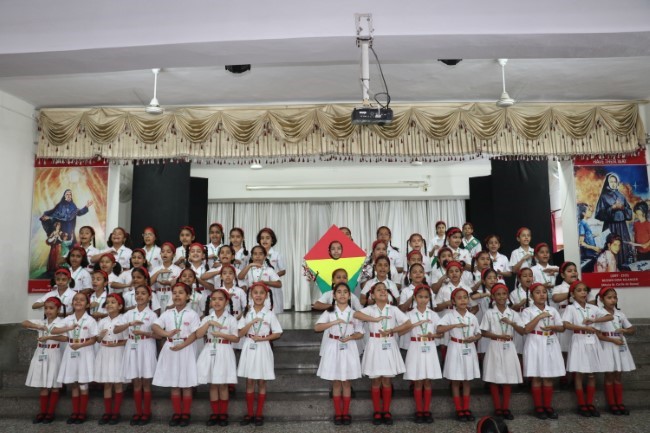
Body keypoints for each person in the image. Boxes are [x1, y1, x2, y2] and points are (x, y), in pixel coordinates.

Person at [354, 282, 411, 425]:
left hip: (389, 343)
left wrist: (393, 330)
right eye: (379, 290)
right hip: (374, 344)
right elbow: (356, 314)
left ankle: (386, 411)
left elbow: (408, 323)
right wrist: (374, 319)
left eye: (385, 290)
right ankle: (377, 411)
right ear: (372, 296)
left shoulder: (393, 309)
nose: (383, 291)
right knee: (375, 380)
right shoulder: (370, 309)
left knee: (387, 380)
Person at [152, 282, 200, 427]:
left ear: (188, 296)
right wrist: (166, 333)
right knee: (174, 383)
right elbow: (154, 326)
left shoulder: (192, 314)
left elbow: (195, 334)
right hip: (171, 348)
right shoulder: (167, 313)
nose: (177, 295)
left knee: (186, 384)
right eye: (174, 293)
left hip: (186, 348)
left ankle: (185, 413)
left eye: (181, 293)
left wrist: (183, 345)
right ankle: (177, 412)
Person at [314, 282, 364, 425]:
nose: (342, 294)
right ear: (334, 296)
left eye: (345, 292)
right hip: (333, 345)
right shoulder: (329, 312)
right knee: (336, 382)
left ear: (349, 296)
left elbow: (360, 333)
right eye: (339, 292)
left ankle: (345, 413)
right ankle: (338, 413)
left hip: (349, 346)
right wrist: (333, 322)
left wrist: (351, 337)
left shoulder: (354, 313)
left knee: (347, 382)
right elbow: (317, 328)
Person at [563, 280, 613, 417]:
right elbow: (566, 325)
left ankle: (590, 403)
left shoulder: (593, 308)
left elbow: (610, 316)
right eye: (579, 290)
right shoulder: (571, 308)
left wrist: (594, 321)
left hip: (592, 341)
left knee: (592, 374)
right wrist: (583, 328)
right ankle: (581, 404)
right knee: (579, 373)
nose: (583, 293)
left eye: (585, 290)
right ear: (572, 294)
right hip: (579, 340)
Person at [237, 282, 283, 427]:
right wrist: (251, 322)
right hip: (249, 345)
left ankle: (259, 414)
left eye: (261, 293)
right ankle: (250, 413)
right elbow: (240, 333)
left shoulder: (269, 314)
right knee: (249, 381)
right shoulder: (247, 312)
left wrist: (263, 338)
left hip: (263, 347)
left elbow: (277, 333)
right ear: (251, 295)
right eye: (255, 292)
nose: (258, 295)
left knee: (262, 381)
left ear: (266, 296)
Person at [114, 285, 158, 426]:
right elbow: (116, 330)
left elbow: (158, 335)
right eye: (137, 293)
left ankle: (147, 412)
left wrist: (144, 333)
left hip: (146, 345)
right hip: (132, 345)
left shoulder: (152, 315)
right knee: (136, 382)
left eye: (143, 293)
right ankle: (138, 412)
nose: (139, 296)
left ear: (149, 297)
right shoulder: (129, 314)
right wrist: (129, 324)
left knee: (146, 382)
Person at [52, 292, 98, 424]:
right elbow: (53, 330)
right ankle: (75, 412)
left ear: (87, 304)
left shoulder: (90, 320)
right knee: (74, 383)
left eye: (82, 300)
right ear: (72, 303)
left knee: (83, 383)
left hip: (84, 350)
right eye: (76, 300)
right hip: (71, 350)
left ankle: (82, 413)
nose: (78, 302)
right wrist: (68, 328)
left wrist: (81, 345)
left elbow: (94, 339)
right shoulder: (68, 319)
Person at [437, 287, 482, 422]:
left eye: (465, 297)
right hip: (455, 347)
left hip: (469, 347)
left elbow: (479, 333)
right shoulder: (449, 315)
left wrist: (474, 338)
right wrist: (454, 325)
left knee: (467, 380)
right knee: (456, 380)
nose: (463, 300)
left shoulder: (472, 316)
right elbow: (439, 328)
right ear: (453, 301)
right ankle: (459, 409)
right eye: (459, 298)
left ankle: (466, 408)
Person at [481, 283, 525, 420]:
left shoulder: (513, 313)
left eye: (504, 294)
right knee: (494, 377)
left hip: (509, 346)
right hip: (495, 345)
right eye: (498, 294)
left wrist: (511, 323)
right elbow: (483, 332)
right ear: (493, 297)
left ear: (508, 296)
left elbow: (522, 331)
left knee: (508, 377)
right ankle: (498, 409)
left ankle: (505, 408)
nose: (501, 297)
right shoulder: (489, 313)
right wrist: (498, 335)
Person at [196, 289, 240, 426]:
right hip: (210, 349)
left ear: (226, 302)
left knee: (223, 384)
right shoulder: (206, 318)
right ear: (210, 302)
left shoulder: (231, 319)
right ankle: (215, 413)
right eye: (214, 299)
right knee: (213, 384)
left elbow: (236, 338)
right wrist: (208, 324)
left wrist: (222, 335)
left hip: (224, 350)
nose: (217, 302)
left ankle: (223, 414)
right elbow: (198, 334)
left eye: (220, 299)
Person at [522, 283, 565, 420]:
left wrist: (553, 327)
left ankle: (547, 406)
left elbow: (562, 327)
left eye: (544, 292)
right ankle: (538, 407)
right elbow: (526, 329)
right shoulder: (527, 311)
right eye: (538, 292)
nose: (541, 295)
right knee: (536, 376)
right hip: (535, 341)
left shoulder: (552, 310)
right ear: (531, 296)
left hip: (550, 340)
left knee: (548, 376)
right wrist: (539, 317)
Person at [400, 284, 442, 424]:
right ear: (415, 298)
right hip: (415, 346)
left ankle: (426, 410)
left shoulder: (433, 314)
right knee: (418, 380)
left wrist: (433, 335)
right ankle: (419, 410)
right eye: (420, 297)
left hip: (429, 346)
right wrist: (413, 324)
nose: (423, 299)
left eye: (426, 297)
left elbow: (440, 333)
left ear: (429, 298)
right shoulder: (409, 314)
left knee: (428, 380)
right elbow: (401, 332)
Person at [23, 297, 67, 424]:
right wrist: (38, 326)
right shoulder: (42, 322)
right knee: (43, 385)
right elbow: (24, 322)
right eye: (46, 308)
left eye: (51, 308)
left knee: (54, 385)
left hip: (54, 353)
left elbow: (64, 338)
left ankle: (50, 413)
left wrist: (49, 336)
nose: (48, 311)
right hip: (41, 353)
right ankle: (42, 412)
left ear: (58, 309)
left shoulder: (61, 322)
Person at [596, 287, 636, 415]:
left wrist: (625, 330)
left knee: (618, 375)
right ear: (602, 299)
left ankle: (619, 403)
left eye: (614, 297)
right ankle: (612, 404)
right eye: (609, 298)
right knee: (609, 375)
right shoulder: (599, 313)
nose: (613, 300)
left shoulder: (620, 314)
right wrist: (612, 340)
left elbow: (632, 329)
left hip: (620, 346)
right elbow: (598, 334)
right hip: (608, 345)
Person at [94, 293, 128, 425]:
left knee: (118, 383)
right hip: (105, 352)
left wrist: (117, 344)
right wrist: (100, 337)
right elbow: (97, 339)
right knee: (107, 383)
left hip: (118, 352)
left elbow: (127, 340)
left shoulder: (123, 320)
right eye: (107, 302)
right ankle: (107, 412)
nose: (109, 305)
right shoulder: (102, 321)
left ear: (120, 306)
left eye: (113, 302)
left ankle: (116, 412)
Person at [595, 173, 633, 265]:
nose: (613, 184)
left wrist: (622, 208)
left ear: (617, 183)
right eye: (611, 182)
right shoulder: (604, 196)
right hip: (610, 226)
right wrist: (612, 208)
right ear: (608, 183)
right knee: (610, 245)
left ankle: (622, 265)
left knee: (622, 246)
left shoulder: (621, 195)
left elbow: (629, 211)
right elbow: (599, 213)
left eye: (615, 182)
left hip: (622, 226)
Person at [238, 245, 282, 310]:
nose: (258, 256)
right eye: (255, 254)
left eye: (260, 254)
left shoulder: (269, 269)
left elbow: (279, 284)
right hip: (251, 298)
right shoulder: (248, 269)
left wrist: (265, 282)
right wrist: (250, 265)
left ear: (265, 256)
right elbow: (240, 277)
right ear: (252, 257)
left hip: (265, 300)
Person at [150, 242, 183, 314]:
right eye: (163, 251)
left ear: (173, 255)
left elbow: (181, 286)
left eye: (168, 252)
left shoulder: (178, 270)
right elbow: (148, 283)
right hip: (158, 295)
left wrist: (170, 283)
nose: (165, 254)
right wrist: (158, 272)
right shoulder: (156, 269)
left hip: (171, 294)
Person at [577, 203, 601, 268]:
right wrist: (594, 248)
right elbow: (581, 243)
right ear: (583, 213)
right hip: (588, 255)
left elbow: (586, 236)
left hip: (590, 253)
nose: (591, 211)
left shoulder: (584, 223)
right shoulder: (582, 224)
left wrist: (594, 235)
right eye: (589, 210)